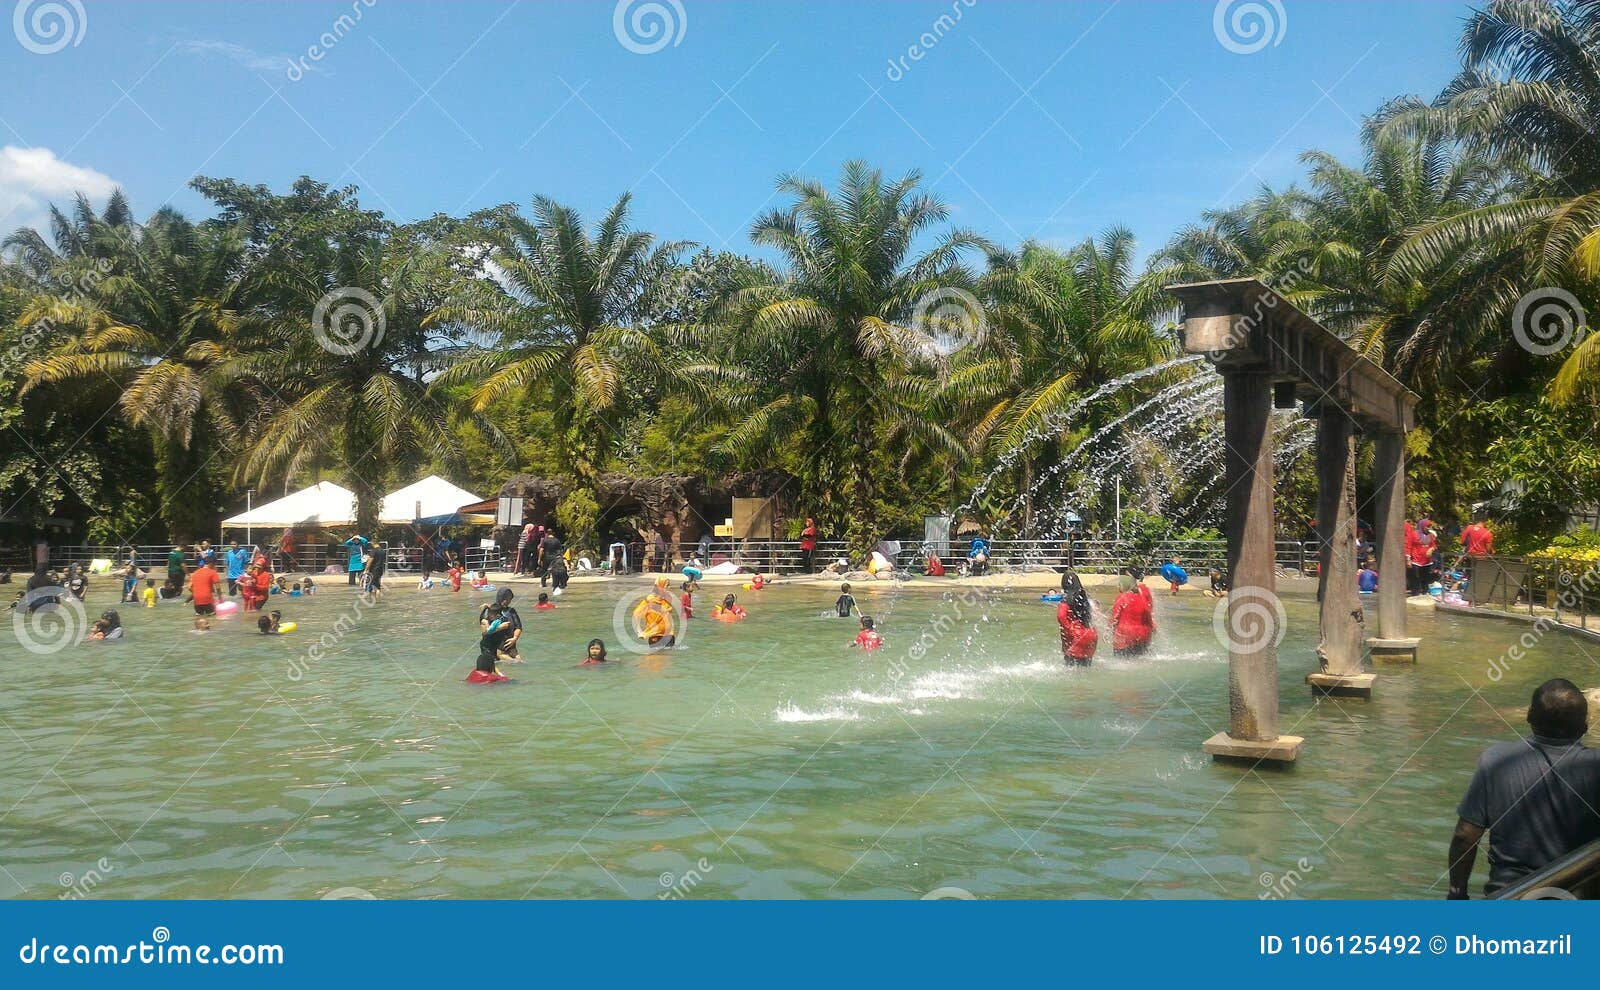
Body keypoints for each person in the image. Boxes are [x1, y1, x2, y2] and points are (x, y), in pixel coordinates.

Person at [1448, 678, 1600, 898]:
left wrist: (1456, 893)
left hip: (1509, 896)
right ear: (1584, 727)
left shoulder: (1495, 760)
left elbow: (1465, 835)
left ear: (1529, 716)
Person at [1055, 570, 1098, 665]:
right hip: (1090, 635)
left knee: (1071, 670)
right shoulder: (1084, 597)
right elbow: (1094, 612)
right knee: (1085, 668)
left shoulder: (1067, 598)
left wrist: (1069, 630)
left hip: (1076, 636)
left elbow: (1061, 616)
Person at [1109, 569, 1154, 657]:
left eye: (1119, 584)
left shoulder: (1122, 597)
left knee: (1121, 661)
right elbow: (1149, 613)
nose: (1118, 586)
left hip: (1125, 635)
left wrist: (1108, 630)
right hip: (1144, 634)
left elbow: (1114, 618)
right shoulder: (1143, 595)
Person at [469, 606, 514, 683]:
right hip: (487, 647)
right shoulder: (491, 678)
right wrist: (498, 672)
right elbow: (505, 679)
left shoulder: (472, 673)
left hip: (493, 647)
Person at [634, 577, 677, 648]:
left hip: (669, 634)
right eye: (667, 585)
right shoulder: (650, 599)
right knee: (655, 658)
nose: (669, 587)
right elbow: (636, 613)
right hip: (655, 635)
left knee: (669, 657)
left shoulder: (668, 597)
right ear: (660, 585)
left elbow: (667, 611)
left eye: (669, 585)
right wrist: (639, 631)